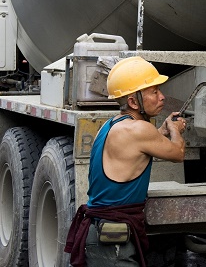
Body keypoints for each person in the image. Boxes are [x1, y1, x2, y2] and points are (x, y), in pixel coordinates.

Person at [65, 56, 186, 267]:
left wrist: (163, 131)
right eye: (154, 92)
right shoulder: (139, 130)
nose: (162, 97)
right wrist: (175, 130)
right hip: (112, 243)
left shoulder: (111, 125)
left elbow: (137, 149)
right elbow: (178, 153)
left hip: (103, 234)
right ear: (132, 101)